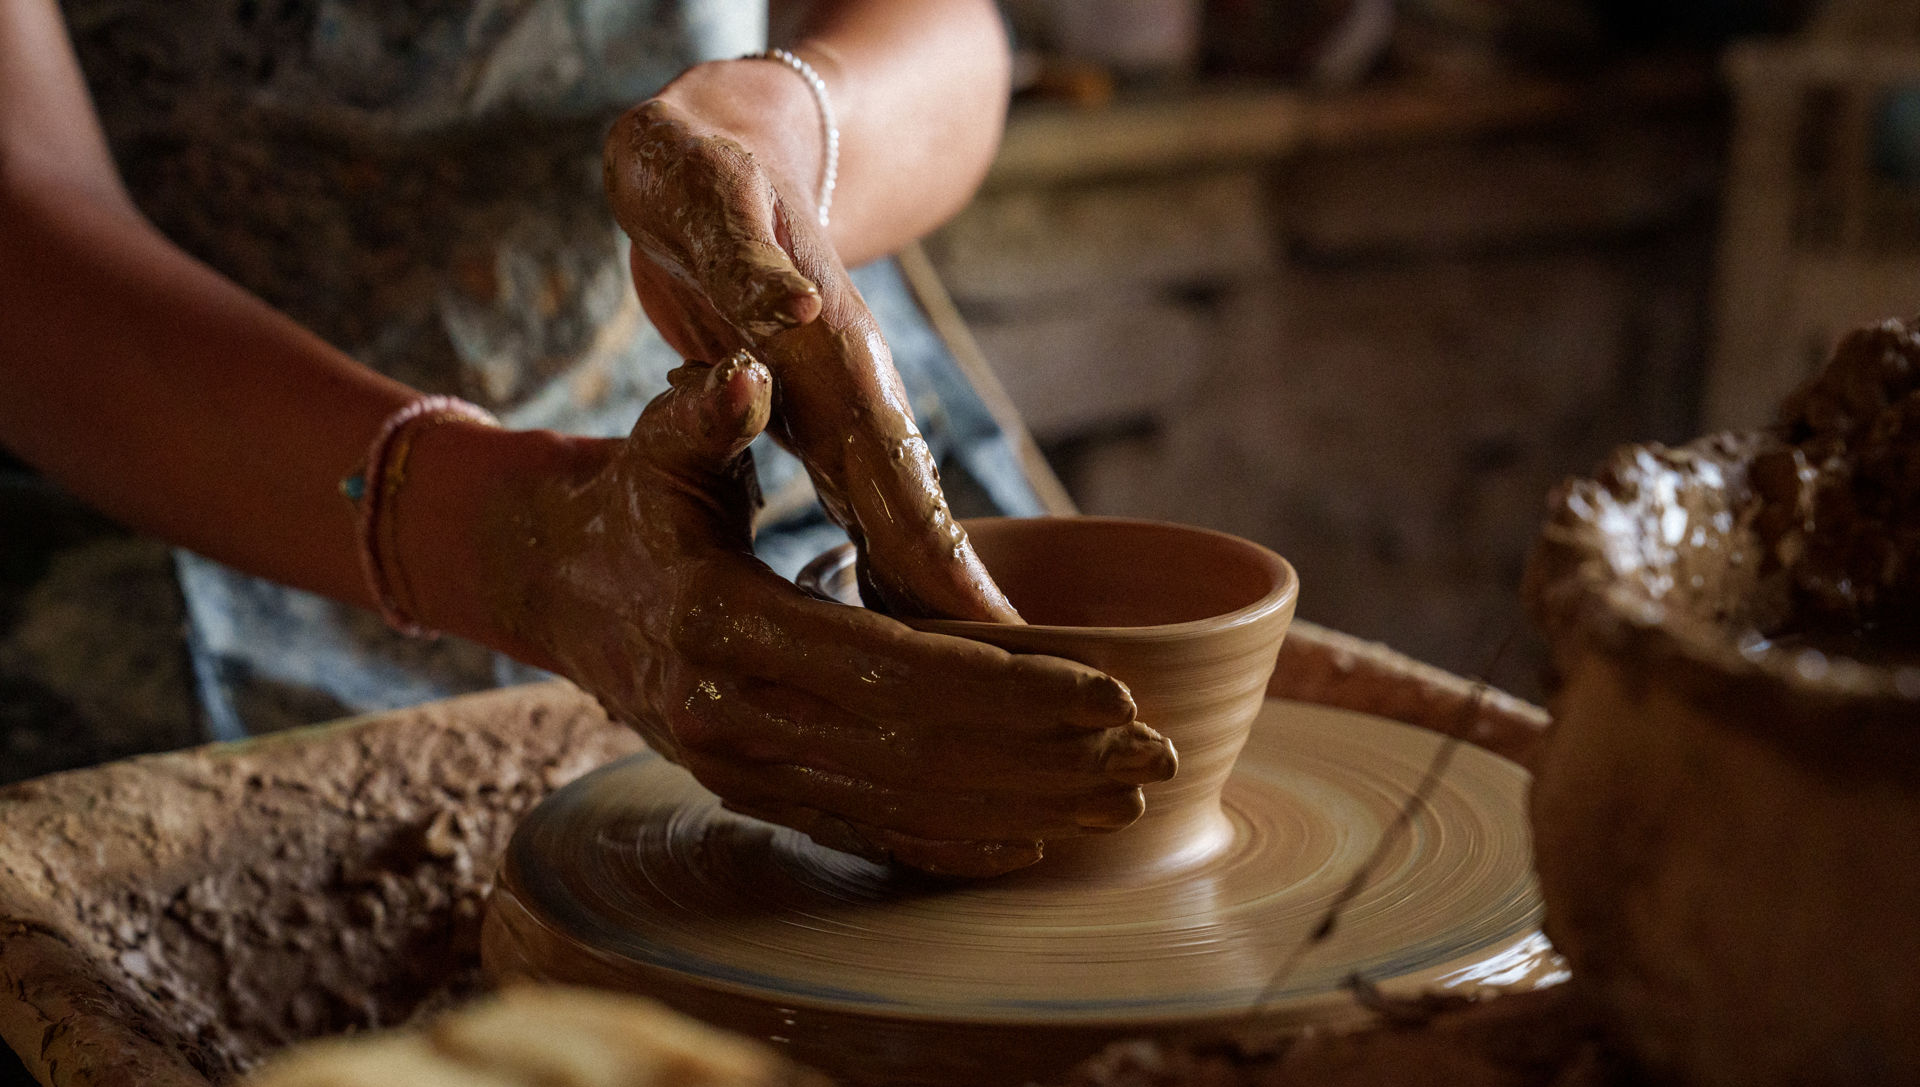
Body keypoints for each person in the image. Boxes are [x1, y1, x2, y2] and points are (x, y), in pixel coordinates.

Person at [0, 0, 1176, 877]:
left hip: (769, 413)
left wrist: (783, 127)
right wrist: (524, 549)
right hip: (229, 476)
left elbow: (944, 32)